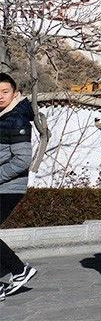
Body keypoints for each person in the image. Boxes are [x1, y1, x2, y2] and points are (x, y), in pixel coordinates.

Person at [0, 73, 38, 301]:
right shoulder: (3, 117)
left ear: (15, 93)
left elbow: (22, 160)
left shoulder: (17, 119)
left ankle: (19, 270)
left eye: (5, 92)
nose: (0, 97)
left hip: (9, 186)